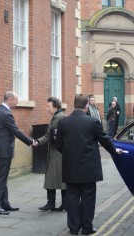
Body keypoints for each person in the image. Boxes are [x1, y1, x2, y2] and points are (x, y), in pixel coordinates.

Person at [55, 94, 122, 235]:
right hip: (88, 168)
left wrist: (69, 156)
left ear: (74, 105)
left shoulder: (63, 122)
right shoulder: (92, 122)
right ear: (86, 106)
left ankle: (73, 229)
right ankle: (86, 228)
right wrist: (114, 150)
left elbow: (59, 144)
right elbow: (104, 140)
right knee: (88, 198)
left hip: (70, 167)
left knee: (72, 198)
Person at [0, 91, 37, 215]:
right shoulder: (6, 114)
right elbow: (16, 131)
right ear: (10, 99)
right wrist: (30, 141)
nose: (17, 103)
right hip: (4, 149)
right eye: (16, 100)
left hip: (0, 148)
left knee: (3, 177)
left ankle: (4, 204)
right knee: (1, 178)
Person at [36, 97, 67, 212]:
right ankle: (63, 203)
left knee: (52, 177)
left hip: (57, 153)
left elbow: (51, 136)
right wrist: (39, 142)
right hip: (57, 153)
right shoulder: (58, 116)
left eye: (48, 106)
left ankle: (53, 203)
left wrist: (38, 142)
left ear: (55, 107)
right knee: (60, 179)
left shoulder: (58, 118)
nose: (47, 108)